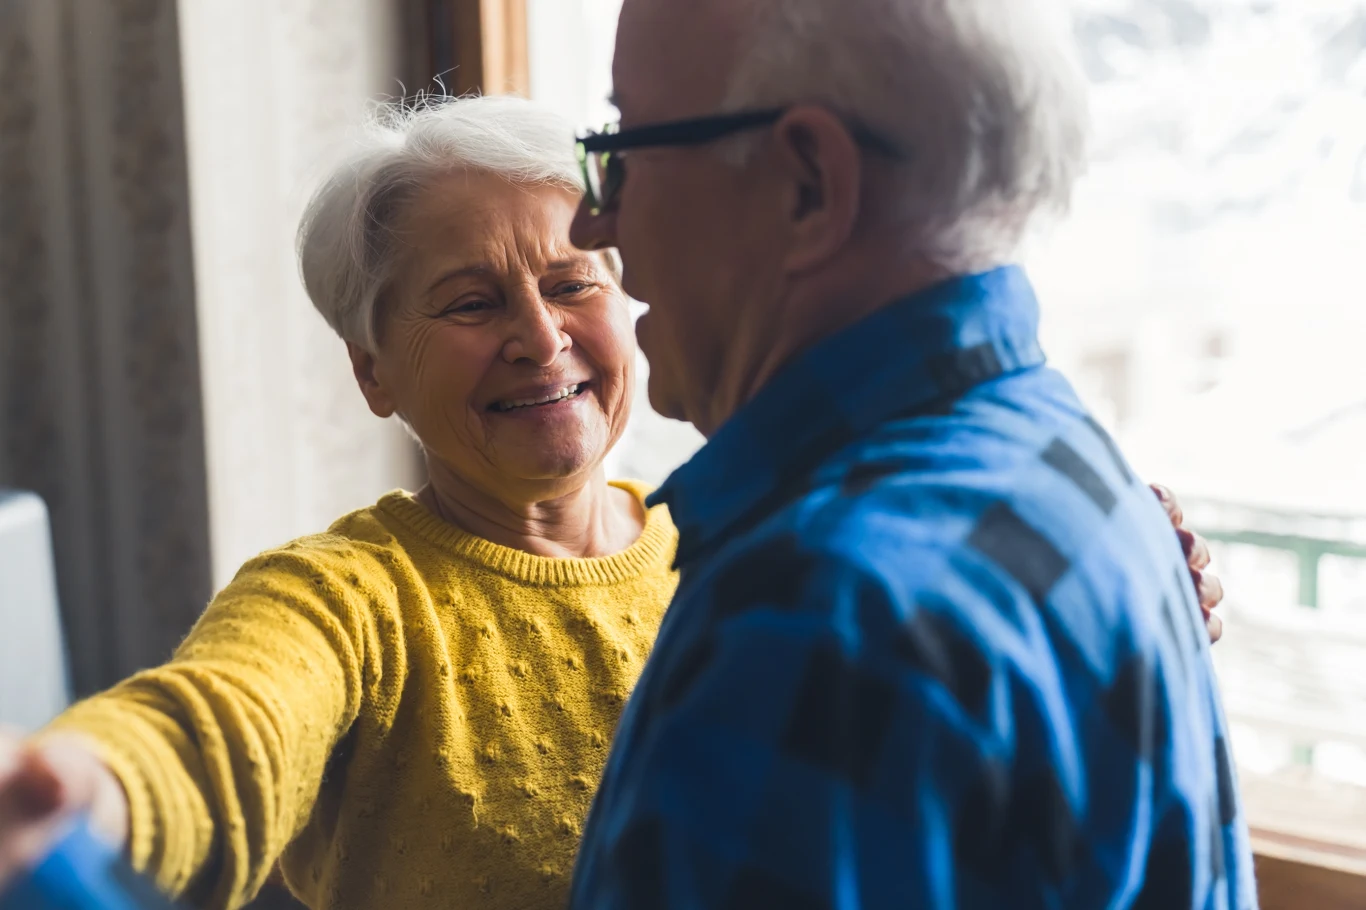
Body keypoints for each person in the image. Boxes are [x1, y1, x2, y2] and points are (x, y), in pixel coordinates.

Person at [0, 96, 1219, 910]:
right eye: (471, 303)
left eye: (574, 281)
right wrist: (76, 788)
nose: (541, 339)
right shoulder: (346, 599)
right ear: (372, 369)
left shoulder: (753, 543)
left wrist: (1110, 583)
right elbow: (217, 730)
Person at [565, 0, 1254, 908]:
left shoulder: (818, 617)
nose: (592, 223)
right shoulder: (1076, 464)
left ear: (808, 184)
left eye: (626, 152)